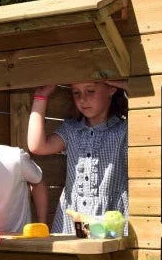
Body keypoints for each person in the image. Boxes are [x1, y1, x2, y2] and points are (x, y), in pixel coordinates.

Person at [27, 81, 128, 234]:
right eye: (76, 92)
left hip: (110, 218)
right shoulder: (71, 130)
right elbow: (37, 146)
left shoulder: (124, 130)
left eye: (91, 91)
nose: (82, 99)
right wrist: (40, 97)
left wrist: (127, 86)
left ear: (112, 88)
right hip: (72, 219)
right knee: (70, 257)